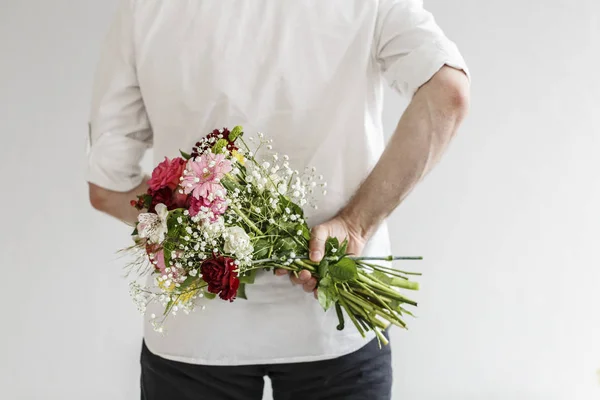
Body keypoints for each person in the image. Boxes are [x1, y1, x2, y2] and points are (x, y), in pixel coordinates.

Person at [87, 0, 470, 399]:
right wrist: (355, 225)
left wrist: (193, 233)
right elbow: (448, 94)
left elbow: (107, 186)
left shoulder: (145, 9)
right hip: (335, 324)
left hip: (197, 332)